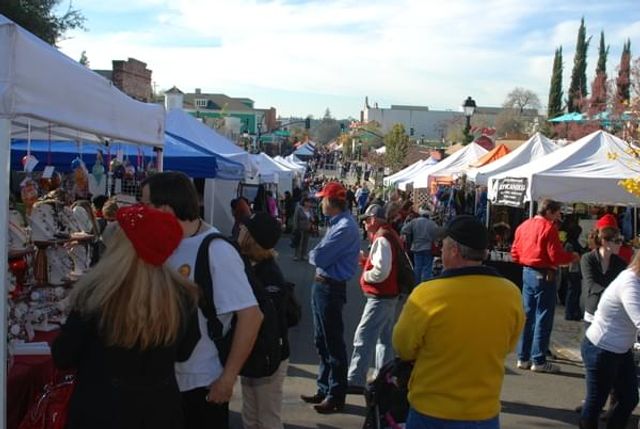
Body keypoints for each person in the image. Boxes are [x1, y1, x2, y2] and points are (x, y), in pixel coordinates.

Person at [52, 204, 201, 429]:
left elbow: (63, 356)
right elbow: (185, 351)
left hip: (100, 411)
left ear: (123, 245)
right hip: (159, 412)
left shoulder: (96, 294)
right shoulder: (182, 295)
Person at [140, 172, 263, 429]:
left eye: (146, 204)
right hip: (164, 378)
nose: (141, 211)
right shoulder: (164, 242)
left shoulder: (216, 250)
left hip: (202, 383)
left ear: (165, 208)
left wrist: (227, 379)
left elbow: (251, 317)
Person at [393, 215, 524, 429]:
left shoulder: (427, 294)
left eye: (443, 245)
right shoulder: (511, 294)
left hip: (432, 409)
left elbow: (403, 347)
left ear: (454, 250)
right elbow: (508, 346)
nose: (440, 250)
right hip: (484, 411)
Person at [301, 182, 361, 414]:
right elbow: (319, 255)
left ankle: (335, 394)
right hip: (325, 286)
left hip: (330, 287)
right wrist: (316, 254)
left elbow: (320, 257)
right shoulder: (339, 224)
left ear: (331, 202)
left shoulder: (344, 227)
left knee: (332, 342)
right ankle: (325, 387)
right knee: (322, 340)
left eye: (323, 199)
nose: (320, 203)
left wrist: (315, 254)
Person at [511, 199, 580, 373]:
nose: (559, 217)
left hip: (528, 272)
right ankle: (538, 359)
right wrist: (572, 257)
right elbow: (555, 256)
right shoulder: (548, 228)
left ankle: (523, 357)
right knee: (543, 316)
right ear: (549, 211)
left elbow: (515, 252)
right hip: (544, 274)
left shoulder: (524, 226)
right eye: (557, 213)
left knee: (528, 315)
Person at [237, 212, 290, 429]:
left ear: (251, 238)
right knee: (251, 414)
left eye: (244, 229)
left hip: (268, 356)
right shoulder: (255, 267)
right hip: (256, 353)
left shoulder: (268, 275)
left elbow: (269, 324)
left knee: (266, 417)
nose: (239, 230)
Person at [579, 254, 640, 429]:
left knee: (629, 398)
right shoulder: (630, 283)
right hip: (601, 349)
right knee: (596, 402)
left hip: (620, 349)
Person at [347, 204, 401, 392]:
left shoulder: (382, 238)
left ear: (373, 220)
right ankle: (383, 377)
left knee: (364, 336)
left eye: (366, 220)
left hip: (380, 295)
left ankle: (355, 379)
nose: (364, 224)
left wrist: (366, 274)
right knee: (384, 339)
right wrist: (367, 262)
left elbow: (381, 271)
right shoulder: (389, 234)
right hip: (390, 294)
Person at [401, 205, 440, 283]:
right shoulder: (432, 224)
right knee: (427, 268)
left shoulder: (414, 221)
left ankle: (416, 284)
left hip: (416, 247)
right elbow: (437, 236)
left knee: (417, 267)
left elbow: (404, 229)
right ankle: (425, 284)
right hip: (428, 248)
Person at [563, 223, 585, 321]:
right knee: (573, 291)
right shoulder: (571, 244)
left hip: (573, 269)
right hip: (573, 269)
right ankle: (570, 312)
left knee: (575, 291)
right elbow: (572, 256)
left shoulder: (570, 242)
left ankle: (574, 312)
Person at [292, 197, 313, 261]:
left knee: (305, 242)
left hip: (307, 228)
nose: (309, 203)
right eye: (307, 202)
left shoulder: (310, 210)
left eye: (309, 202)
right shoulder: (299, 208)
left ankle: (303, 255)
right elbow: (295, 218)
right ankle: (296, 255)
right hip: (299, 228)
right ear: (304, 202)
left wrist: (312, 220)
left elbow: (311, 218)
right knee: (298, 242)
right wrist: (295, 227)